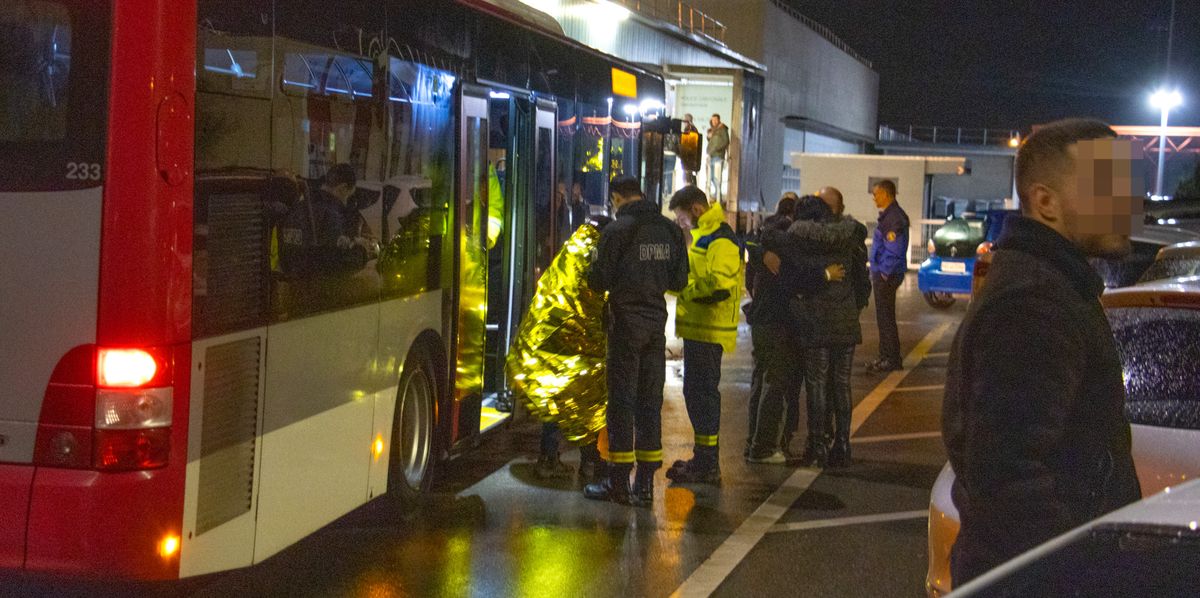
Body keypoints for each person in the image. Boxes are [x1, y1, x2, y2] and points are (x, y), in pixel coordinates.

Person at [942, 118, 1142, 586]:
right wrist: (1077, 576)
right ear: (1045, 202)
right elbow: (1008, 475)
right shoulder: (1035, 304)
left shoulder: (1052, 286)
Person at [585, 175, 688, 506]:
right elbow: (680, 280)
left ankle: (617, 483)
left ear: (616, 198)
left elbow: (598, 280)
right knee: (648, 402)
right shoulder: (669, 230)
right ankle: (644, 485)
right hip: (656, 323)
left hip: (624, 324)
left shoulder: (617, 231)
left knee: (621, 403)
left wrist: (592, 266)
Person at [765, 188, 870, 467]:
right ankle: (843, 445)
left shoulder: (798, 239)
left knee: (817, 384)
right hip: (845, 320)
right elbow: (862, 284)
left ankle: (817, 445)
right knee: (842, 383)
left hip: (814, 322)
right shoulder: (850, 238)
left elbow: (787, 270)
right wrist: (852, 307)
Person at [744, 196, 844, 463]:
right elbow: (797, 278)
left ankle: (755, 443)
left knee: (763, 382)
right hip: (777, 322)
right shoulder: (790, 243)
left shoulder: (771, 236)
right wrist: (825, 275)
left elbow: (750, 241)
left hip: (763, 319)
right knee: (775, 384)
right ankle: (763, 447)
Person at [662, 186, 743, 484]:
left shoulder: (720, 238)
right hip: (700, 331)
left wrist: (683, 289)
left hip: (709, 331)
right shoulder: (706, 236)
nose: (682, 223)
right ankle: (703, 458)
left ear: (696, 209)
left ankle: (708, 464)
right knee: (696, 395)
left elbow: (719, 285)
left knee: (703, 397)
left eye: (682, 217)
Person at [866, 179, 908, 372]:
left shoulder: (893, 219)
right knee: (884, 317)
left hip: (886, 275)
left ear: (885, 193)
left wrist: (884, 271)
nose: (874, 198)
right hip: (884, 272)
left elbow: (894, 249)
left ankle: (890, 358)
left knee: (885, 318)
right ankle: (886, 357)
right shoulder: (890, 216)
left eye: (876, 194)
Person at [705, 114, 729, 202]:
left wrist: (717, 147)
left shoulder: (723, 129)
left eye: (715, 120)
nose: (714, 121)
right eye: (712, 120)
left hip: (718, 156)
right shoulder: (712, 130)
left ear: (718, 120)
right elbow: (712, 141)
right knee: (710, 177)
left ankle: (718, 197)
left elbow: (725, 141)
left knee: (717, 178)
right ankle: (716, 196)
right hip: (711, 155)